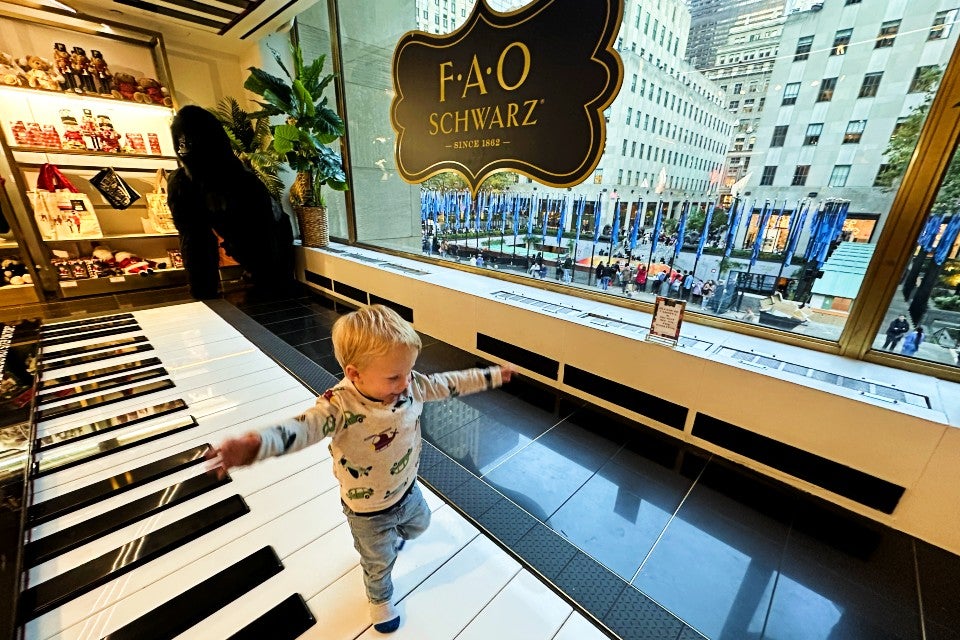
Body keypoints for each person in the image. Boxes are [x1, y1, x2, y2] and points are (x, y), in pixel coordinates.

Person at [210, 305, 515, 633]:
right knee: (378, 562)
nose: (405, 383)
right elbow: (302, 428)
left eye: (409, 371)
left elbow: (448, 382)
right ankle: (379, 600)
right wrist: (256, 445)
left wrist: (491, 375)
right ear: (355, 374)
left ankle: (396, 535)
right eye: (394, 377)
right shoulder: (338, 407)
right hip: (367, 511)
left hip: (407, 489)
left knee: (421, 525)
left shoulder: (412, 385)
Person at [168, 105, 294, 299]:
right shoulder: (183, 183)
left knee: (270, 283)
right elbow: (194, 242)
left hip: (267, 241)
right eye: (182, 143)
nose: (184, 147)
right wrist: (203, 294)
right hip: (259, 239)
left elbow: (266, 236)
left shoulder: (242, 181)